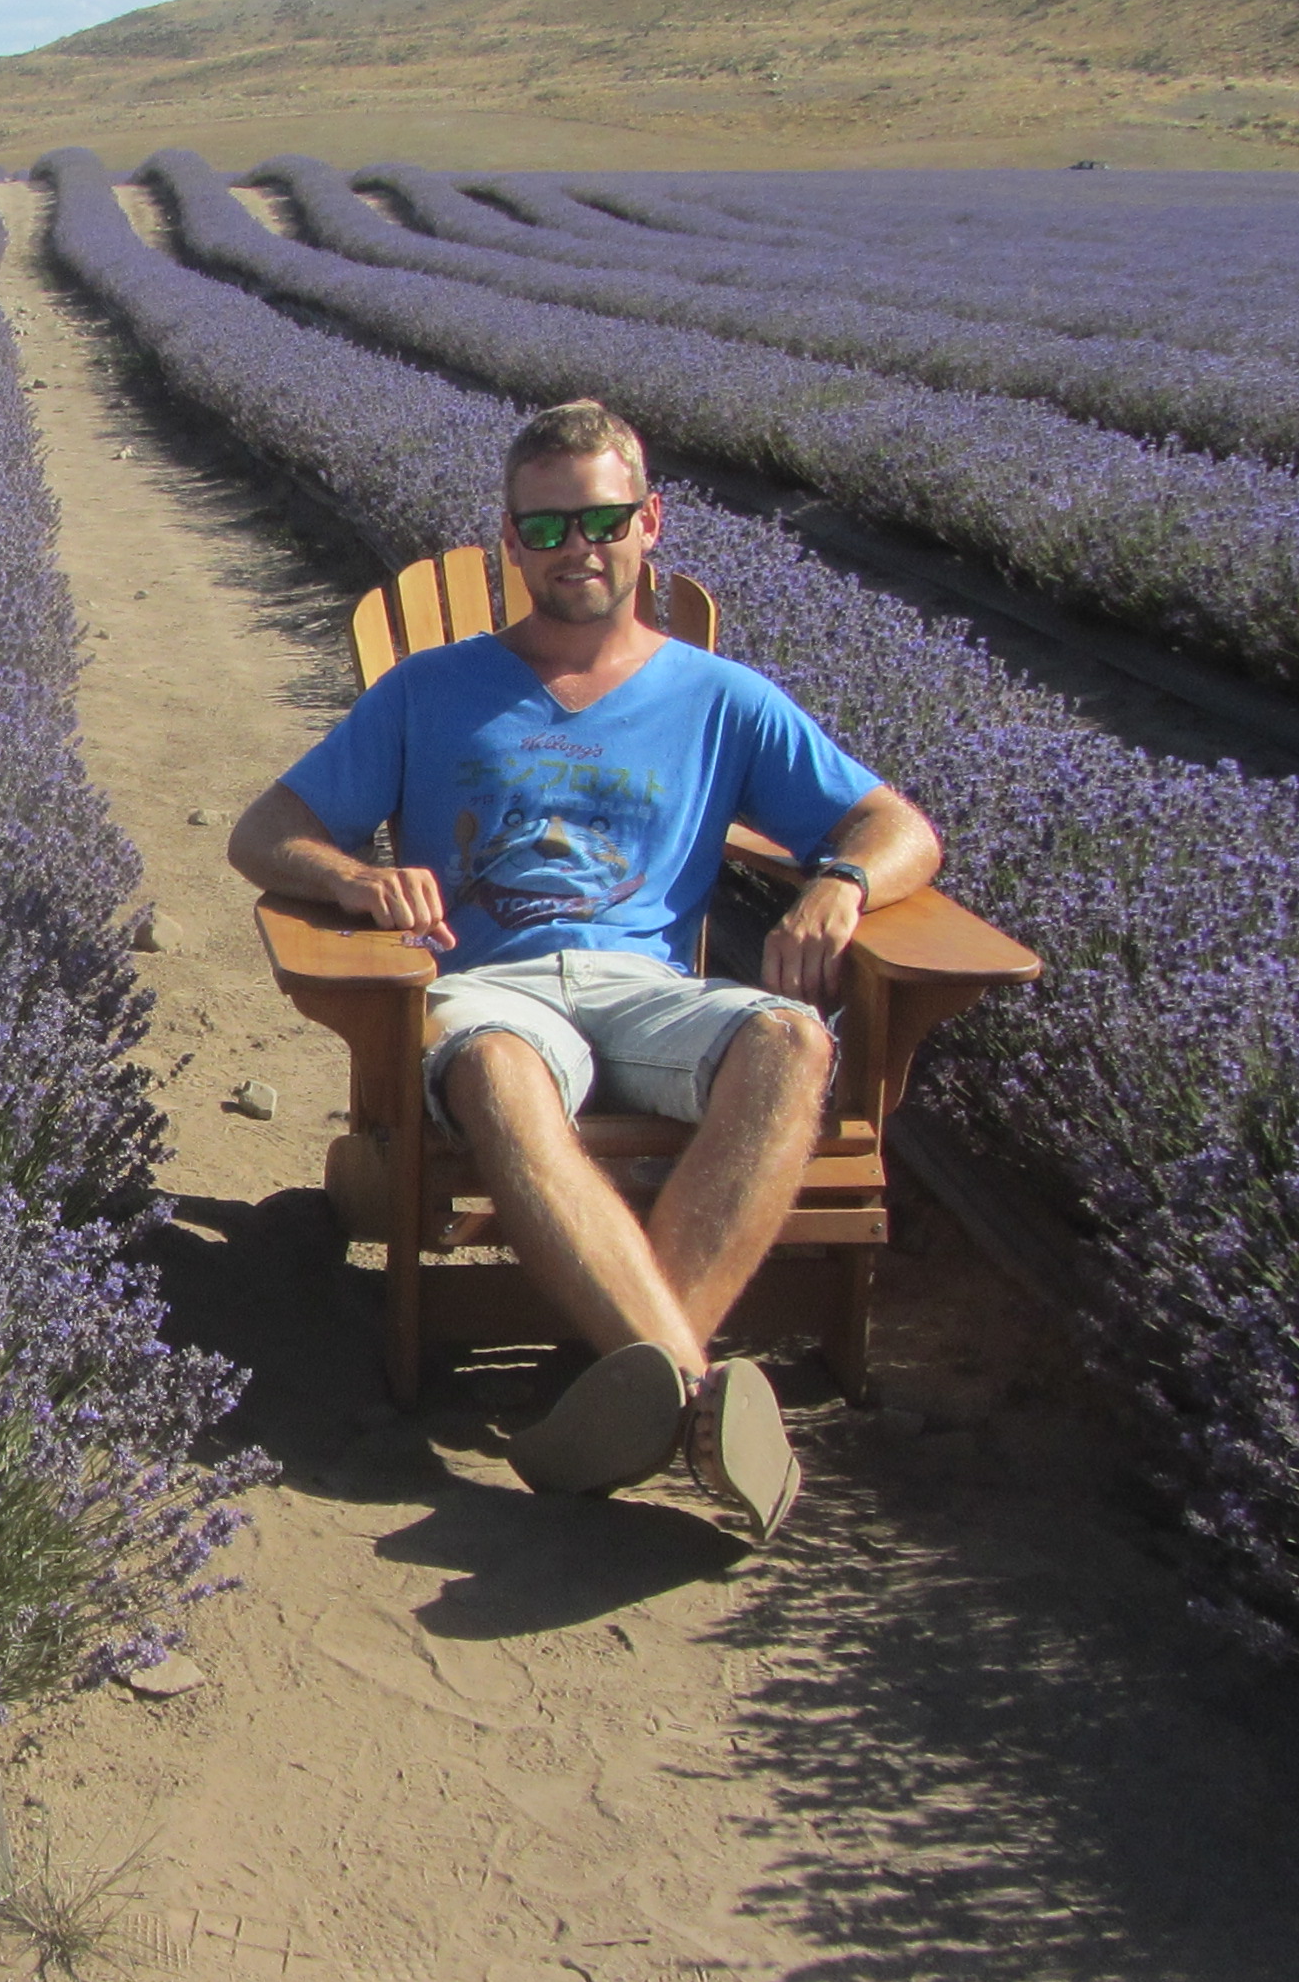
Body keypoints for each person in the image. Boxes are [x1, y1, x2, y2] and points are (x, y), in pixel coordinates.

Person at [224, 398, 942, 1537]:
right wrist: (355, 880)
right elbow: (263, 832)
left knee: (792, 1039)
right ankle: (694, 1390)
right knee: (496, 1071)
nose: (577, 551)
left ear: (650, 523)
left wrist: (840, 882)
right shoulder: (429, 690)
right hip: (482, 986)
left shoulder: (722, 699)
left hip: (648, 989)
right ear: (508, 540)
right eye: (546, 529)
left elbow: (896, 826)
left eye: (602, 522)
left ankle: (648, 1389)